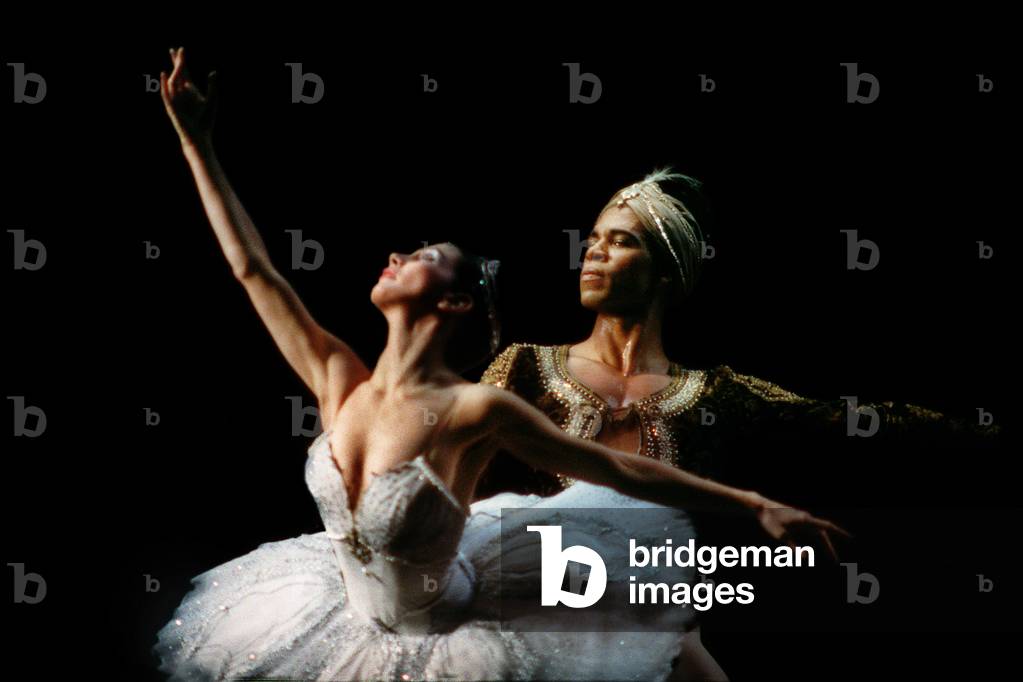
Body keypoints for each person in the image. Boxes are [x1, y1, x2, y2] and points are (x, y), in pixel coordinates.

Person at [152, 48, 850, 681]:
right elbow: (253, 271)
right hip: (341, 616)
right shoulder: (339, 380)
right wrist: (196, 142)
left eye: (421, 258)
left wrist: (755, 505)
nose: (395, 258)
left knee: (673, 653)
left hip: (453, 630)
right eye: (401, 253)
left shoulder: (473, 410)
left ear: (454, 304)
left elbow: (621, 469)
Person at [476, 167, 1001, 680]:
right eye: (592, 239)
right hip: (528, 636)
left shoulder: (716, 396)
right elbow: (442, 474)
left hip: (661, 646)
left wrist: (982, 431)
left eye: (620, 241)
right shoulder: (522, 369)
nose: (593, 251)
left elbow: (850, 422)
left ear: (667, 269)